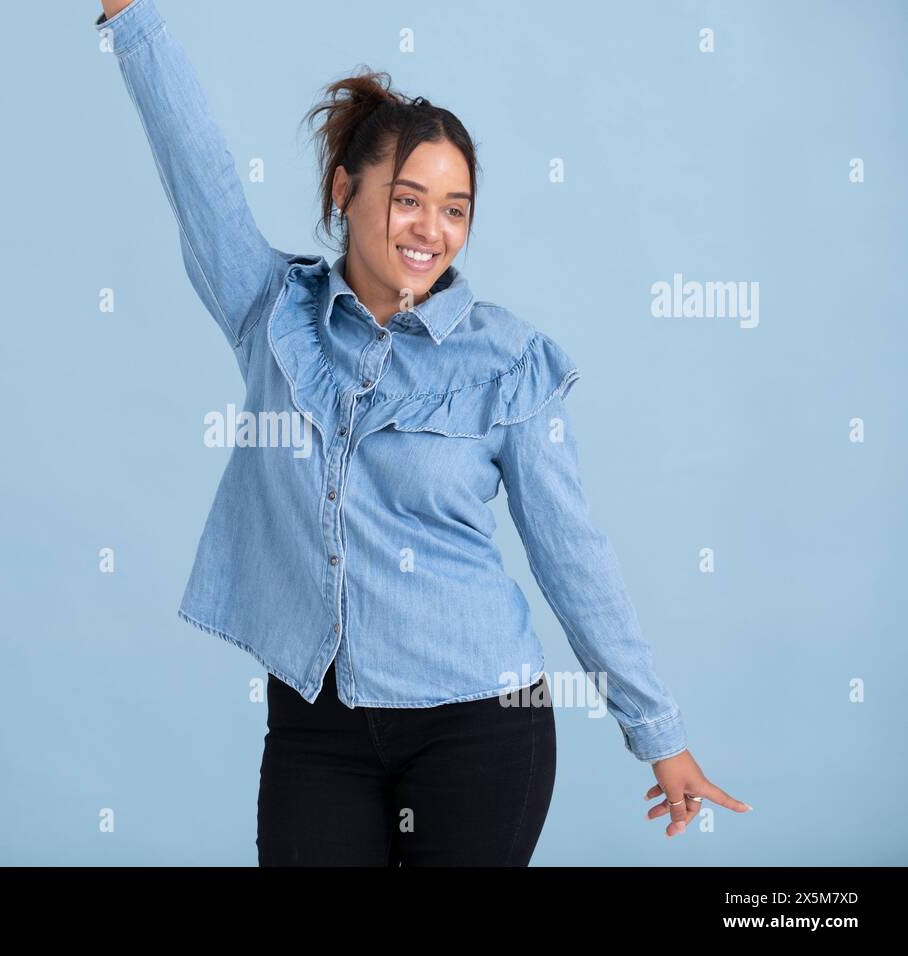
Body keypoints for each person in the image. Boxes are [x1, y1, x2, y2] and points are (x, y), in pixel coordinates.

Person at [93, 0, 750, 865]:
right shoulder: (270, 311)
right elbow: (197, 168)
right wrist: (131, 18)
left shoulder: (508, 362)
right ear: (345, 192)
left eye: (455, 209)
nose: (430, 230)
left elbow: (571, 554)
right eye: (409, 200)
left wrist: (658, 732)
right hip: (315, 729)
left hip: (480, 728)